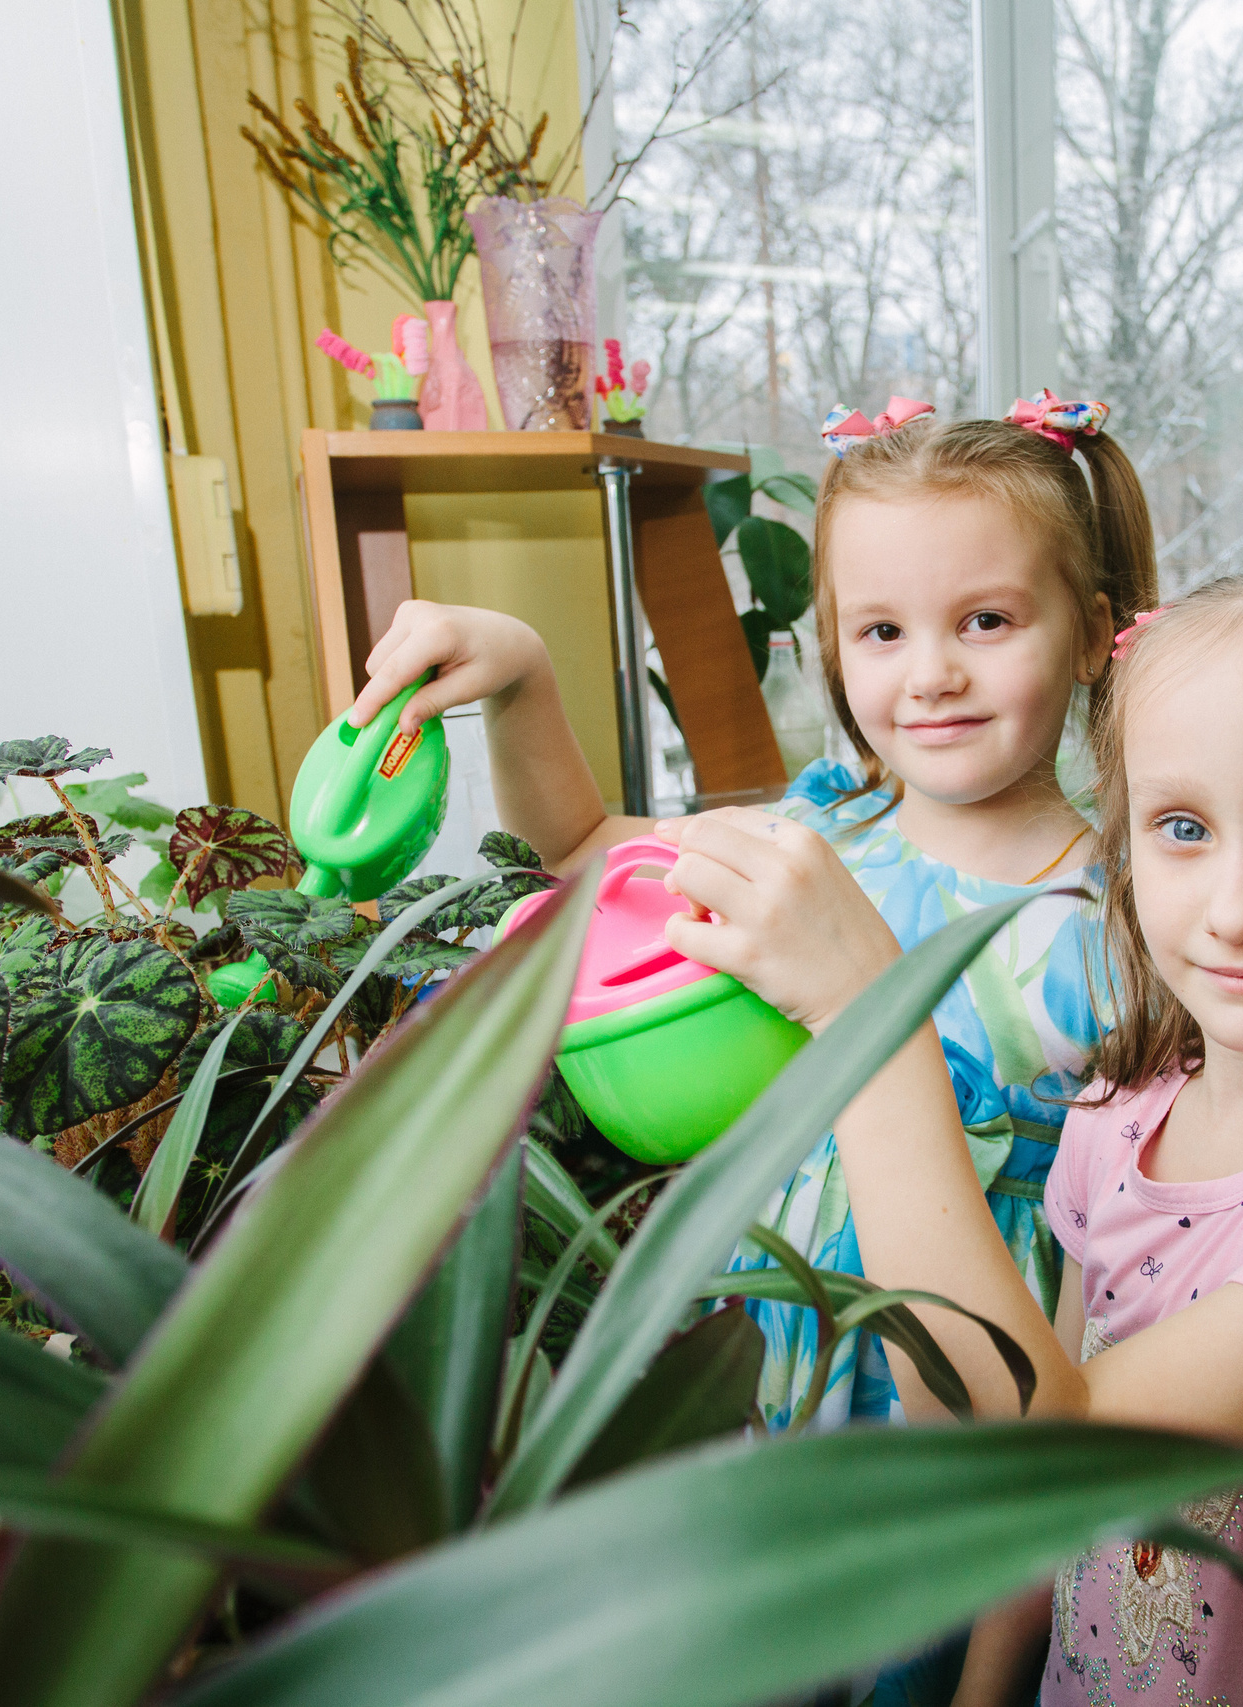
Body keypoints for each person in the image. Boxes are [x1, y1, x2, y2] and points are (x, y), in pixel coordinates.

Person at [653, 554, 1243, 1705]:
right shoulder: (1125, 1111)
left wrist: (871, 1021)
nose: (1235, 907)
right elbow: (1010, 1461)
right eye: (1180, 826)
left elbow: (1053, 1431)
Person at [346, 392, 1155, 1436]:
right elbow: (585, 848)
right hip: (778, 1333)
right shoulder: (819, 838)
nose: (931, 673)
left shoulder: (1120, 925)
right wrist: (521, 677)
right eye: (880, 630)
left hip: (960, 1374)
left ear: (1092, 634)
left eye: (986, 621)